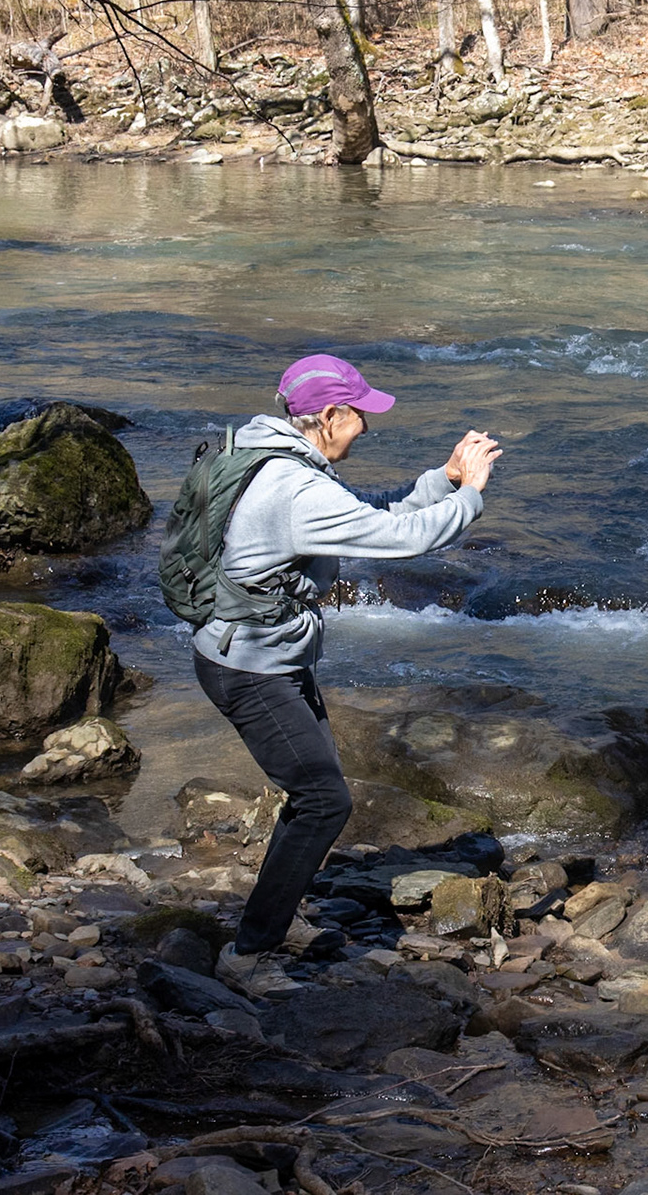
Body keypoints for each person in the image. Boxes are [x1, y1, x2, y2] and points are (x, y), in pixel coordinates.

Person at [194, 354, 499, 997]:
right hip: (252, 667)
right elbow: (404, 540)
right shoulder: (295, 489)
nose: (365, 428)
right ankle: (249, 956)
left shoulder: (276, 457)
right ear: (329, 416)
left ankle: (278, 917)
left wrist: (441, 480)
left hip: (266, 655)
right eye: (359, 416)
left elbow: (372, 516)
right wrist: (470, 494)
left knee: (312, 796)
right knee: (324, 801)